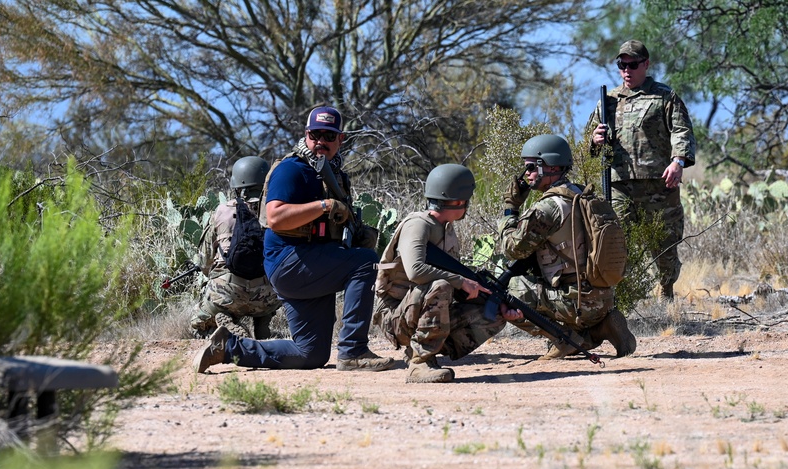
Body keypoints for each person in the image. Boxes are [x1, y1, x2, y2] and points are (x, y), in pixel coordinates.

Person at [193, 106, 394, 373]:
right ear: (306, 134)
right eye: (315, 134)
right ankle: (354, 350)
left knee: (310, 353)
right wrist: (324, 205)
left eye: (328, 136)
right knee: (365, 263)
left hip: (312, 264)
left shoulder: (334, 174)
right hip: (291, 262)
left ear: (340, 139)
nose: (321, 141)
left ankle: (228, 348)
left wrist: (356, 234)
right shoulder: (292, 169)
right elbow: (274, 217)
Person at [372, 164, 521, 383]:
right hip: (394, 315)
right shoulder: (418, 224)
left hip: (419, 309)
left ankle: (426, 350)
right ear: (459, 201)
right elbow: (416, 272)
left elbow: (455, 286)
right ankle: (419, 363)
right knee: (440, 285)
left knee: (493, 314)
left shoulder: (446, 229)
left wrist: (493, 301)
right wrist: (461, 281)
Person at [499, 134, 636, 359]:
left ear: (551, 167)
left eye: (532, 167)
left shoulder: (547, 209)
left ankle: (563, 339)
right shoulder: (582, 195)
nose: (527, 175)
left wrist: (510, 208)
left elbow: (512, 249)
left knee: (506, 291)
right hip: (601, 298)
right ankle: (603, 326)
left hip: (575, 302)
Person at [589, 39, 697, 300]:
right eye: (622, 65)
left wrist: (678, 161)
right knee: (616, 240)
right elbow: (589, 138)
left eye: (632, 64)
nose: (627, 70)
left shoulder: (664, 96)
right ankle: (623, 294)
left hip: (658, 183)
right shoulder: (608, 100)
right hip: (619, 183)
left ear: (645, 65)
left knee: (664, 241)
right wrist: (595, 139)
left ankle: (666, 290)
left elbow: (682, 131)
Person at [190, 156, 282, 340]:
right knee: (266, 291)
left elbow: (204, 262)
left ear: (237, 185)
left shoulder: (222, 211)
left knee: (197, 325)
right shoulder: (277, 210)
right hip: (268, 295)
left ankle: (228, 322)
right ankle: (263, 323)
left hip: (229, 290)